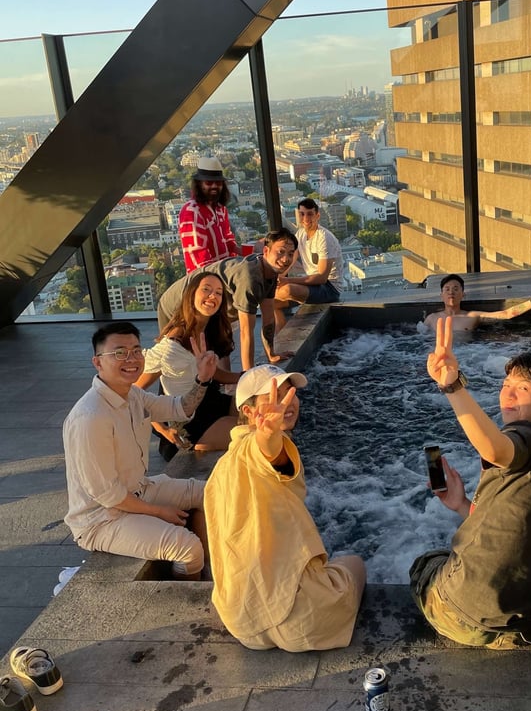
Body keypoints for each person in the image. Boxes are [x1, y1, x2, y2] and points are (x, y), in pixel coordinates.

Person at [409, 317, 531, 647]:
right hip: (526, 627)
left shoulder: (529, 438)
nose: (508, 392)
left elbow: (494, 448)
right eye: (506, 384)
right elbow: (513, 528)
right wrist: (462, 504)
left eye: (522, 388)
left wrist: (452, 386)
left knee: (425, 563)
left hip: (464, 615)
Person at [205, 364, 366, 651]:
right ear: (249, 411)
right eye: (274, 397)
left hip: (241, 621)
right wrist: (268, 434)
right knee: (355, 565)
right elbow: (266, 450)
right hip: (300, 622)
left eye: (289, 393)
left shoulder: (223, 467)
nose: (287, 401)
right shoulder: (258, 447)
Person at [62, 322, 218, 579]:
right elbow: (108, 495)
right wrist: (160, 512)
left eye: (136, 350)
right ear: (98, 362)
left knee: (212, 492)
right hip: (102, 518)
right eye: (119, 353)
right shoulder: (90, 417)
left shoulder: (133, 394)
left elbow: (180, 408)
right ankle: (190, 596)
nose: (131, 359)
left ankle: (213, 570)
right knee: (187, 548)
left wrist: (202, 378)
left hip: (139, 490)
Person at [136, 272, 242, 461]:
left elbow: (212, 373)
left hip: (212, 402)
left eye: (218, 293)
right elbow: (134, 392)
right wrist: (162, 429)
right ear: (191, 294)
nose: (213, 296)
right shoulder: (172, 345)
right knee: (251, 433)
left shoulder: (206, 330)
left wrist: (247, 376)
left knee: (265, 409)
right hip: (192, 423)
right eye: (206, 290)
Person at [157, 228, 298, 369]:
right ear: (266, 251)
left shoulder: (270, 272)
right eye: (280, 252)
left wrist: (271, 354)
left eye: (290, 254)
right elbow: (246, 332)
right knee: (175, 363)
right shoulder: (250, 277)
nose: (286, 259)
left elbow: (268, 319)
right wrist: (248, 377)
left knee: (211, 356)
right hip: (177, 304)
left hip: (207, 309)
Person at [273, 198, 344, 331]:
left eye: (310, 214)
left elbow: (322, 278)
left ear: (317, 215)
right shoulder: (300, 234)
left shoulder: (324, 237)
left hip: (329, 288)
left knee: (287, 289)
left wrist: (286, 280)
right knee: (271, 302)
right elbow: (290, 261)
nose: (305, 218)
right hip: (313, 285)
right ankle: (280, 338)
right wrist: (277, 278)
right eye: (302, 214)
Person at [178, 156, 241, 272]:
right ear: (199, 184)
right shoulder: (191, 211)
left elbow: (228, 240)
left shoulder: (220, 209)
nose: (214, 186)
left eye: (218, 183)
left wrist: (246, 253)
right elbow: (198, 255)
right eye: (208, 182)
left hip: (224, 274)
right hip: (205, 281)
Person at [423, 274, 531, 332]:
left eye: (456, 289)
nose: (451, 292)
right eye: (447, 289)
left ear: (463, 294)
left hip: (467, 358)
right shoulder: (431, 319)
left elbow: (505, 314)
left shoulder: (472, 316)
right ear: (441, 295)